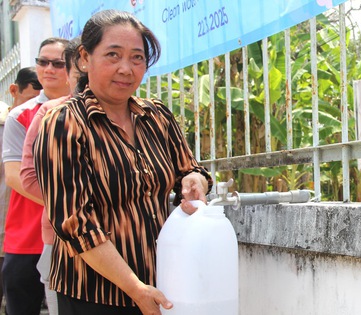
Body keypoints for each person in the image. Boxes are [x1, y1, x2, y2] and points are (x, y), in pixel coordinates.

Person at [34, 10, 212, 315]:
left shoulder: (156, 116)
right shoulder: (64, 124)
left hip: (161, 283)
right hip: (92, 294)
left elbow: (191, 168)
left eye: (137, 58)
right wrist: (134, 288)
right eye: (113, 55)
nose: (126, 69)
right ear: (84, 58)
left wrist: (195, 181)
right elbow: (76, 224)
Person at [2, 38, 70, 315]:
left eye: (57, 63)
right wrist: (67, 205)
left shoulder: (91, 112)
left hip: (73, 234)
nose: (48, 69)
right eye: (42, 62)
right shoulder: (20, 115)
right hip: (28, 235)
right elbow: (14, 176)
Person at [20, 37, 81, 315]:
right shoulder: (50, 113)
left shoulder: (137, 114)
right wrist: (78, 205)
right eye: (80, 72)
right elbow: (29, 177)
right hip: (61, 240)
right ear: (71, 75)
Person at [0, 67, 42, 312]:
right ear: (13, 91)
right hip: (16, 233)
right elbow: (14, 178)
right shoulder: (15, 120)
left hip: (41, 233)